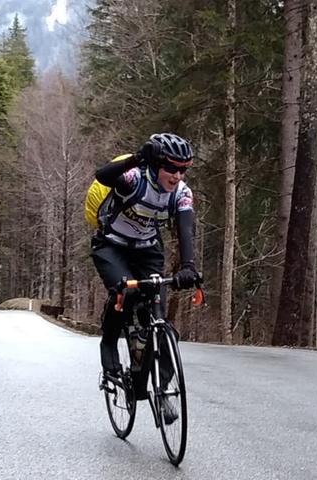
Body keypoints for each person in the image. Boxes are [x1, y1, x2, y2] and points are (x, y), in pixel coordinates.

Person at [90, 132, 200, 424]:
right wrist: (138, 156)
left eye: (183, 169)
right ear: (156, 164)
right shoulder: (134, 179)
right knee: (125, 292)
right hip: (111, 246)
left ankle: (162, 391)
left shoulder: (181, 193)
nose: (177, 175)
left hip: (147, 250)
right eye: (171, 168)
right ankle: (109, 345)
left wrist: (188, 267)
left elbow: (186, 229)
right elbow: (102, 176)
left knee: (159, 316)